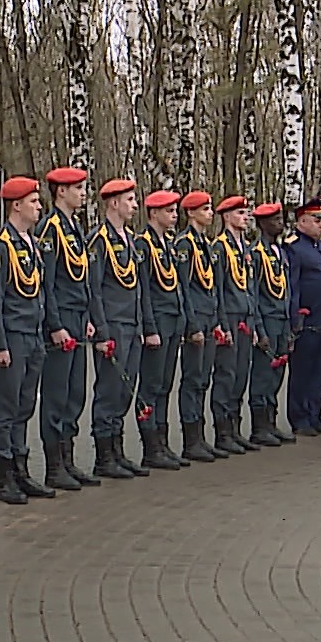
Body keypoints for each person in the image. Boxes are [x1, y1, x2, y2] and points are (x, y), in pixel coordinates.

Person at [0, 176, 51, 504]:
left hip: (33, 336)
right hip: (12, 338)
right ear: (16, 205)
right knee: (5, 408)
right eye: (33, 202)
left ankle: (21, 468)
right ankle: (2, 475)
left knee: (25, 405)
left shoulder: (31, 243)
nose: (39, 207)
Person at [87, 178, 153, 478]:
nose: (135, 205)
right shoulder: (99, 240)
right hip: (113, 325)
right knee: (110, 389)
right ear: (113, 203)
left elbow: (139, 288)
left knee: (126, 391)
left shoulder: (131, 239)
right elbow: (95, 289)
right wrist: (101, 331)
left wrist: (143, 324)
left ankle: (117, 449)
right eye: (129, 200)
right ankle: (103, 456)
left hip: (132, 323)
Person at [36, 167, 95, 486]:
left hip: (77, 318)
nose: (82, 192)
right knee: (57, 394)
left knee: (75, 393)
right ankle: (54, 465)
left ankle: (68, 458)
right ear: (60, 192)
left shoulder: (75, 227)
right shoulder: (51, 229)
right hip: (60, 322)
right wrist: (56, 325)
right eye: (77, 188)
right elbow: (48, 283)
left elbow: (80, 279)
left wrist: (85, 319)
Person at [135, 190, 190, 469]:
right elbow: (143, 289)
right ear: (153, 213)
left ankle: (162, 442)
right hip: (156, 321)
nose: (174, 215)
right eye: (168, 211)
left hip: (172, 320)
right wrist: (149, 326)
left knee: (165, 385)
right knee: (151, 386)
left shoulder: (168, 243)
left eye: (175, 210)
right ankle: (150, 446)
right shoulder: (142, 245)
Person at [173, 191, 223, 460]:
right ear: (191, 213)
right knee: (192, 379)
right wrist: (192, 326)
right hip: (196, 320)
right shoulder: (185, 244)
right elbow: (185, 288)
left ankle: (200, 437)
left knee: (203, 379)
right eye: (204, 209)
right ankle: (190, 439)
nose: (210, 213)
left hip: (208, 317)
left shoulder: (205, 243)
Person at [209, 195, 260, 452]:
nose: (245, 217)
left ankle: (235, 427)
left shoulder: (246, 248)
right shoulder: (219, 248)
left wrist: (254, 321)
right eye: (240, 213)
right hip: (229, 315)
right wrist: (222, 324)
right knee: (226, 374)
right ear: (226, 217)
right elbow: (216, 289)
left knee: (241, 374)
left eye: (246, 213)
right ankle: (222, 432)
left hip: (245, 316)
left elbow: (250, 286)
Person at [286, 198, 321, 436]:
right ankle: (299, 418)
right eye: (317, 220)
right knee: (303, 372)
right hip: (307, 322)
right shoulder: (294, 247)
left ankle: (314, 415)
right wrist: (296, 317)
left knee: (320, 371)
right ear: (302, 221)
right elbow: (292, 286)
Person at [246, 202, 296, 446]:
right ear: (263, 224)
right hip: (266, 321)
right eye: (275, 220)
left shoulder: (280, 252)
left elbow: (285, 292)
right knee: (263, 375)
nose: (281, 224)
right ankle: (259, 426)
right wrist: (259, 329)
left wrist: (289, 330)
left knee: (277, 375)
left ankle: (271, 422)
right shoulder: (256, 253)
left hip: (281, 321)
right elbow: (253, 295)